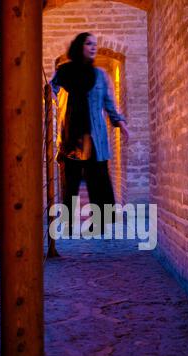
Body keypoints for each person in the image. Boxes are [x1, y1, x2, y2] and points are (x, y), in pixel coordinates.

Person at [49, 32, 129, 235]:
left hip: (95, 137)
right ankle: (67, 224)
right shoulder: (64, 71)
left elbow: (109, 104)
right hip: (71, 135)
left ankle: (99, 223)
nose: (93, 47)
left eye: (95, 44)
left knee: (97, 181)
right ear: (79, 46)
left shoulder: (101, 75)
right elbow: (50, 91)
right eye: (89, 43)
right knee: (71, 182)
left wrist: (121, 123)